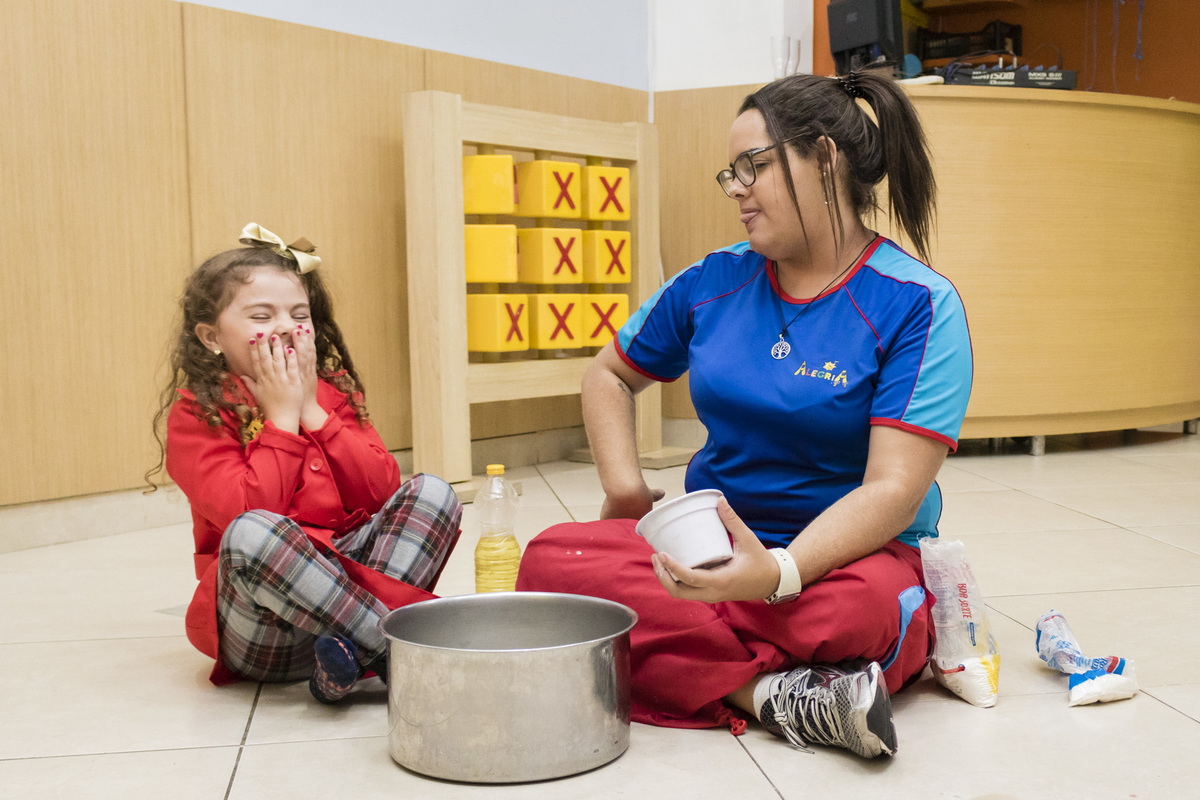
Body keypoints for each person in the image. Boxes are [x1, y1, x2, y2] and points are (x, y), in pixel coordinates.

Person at [516, 68, 973, 758]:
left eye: (752, 166)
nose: (736, 188)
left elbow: (893, 490)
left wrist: (781, 573)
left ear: (824, 158)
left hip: (846, 559)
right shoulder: (713, 280)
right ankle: (769, 694)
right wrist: (625, 488)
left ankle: (684, 649)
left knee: (861, 610)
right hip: (713, 545)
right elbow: (608, 374)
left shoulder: (918, 303)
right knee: (554, 561)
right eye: (730, 173)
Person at [148, 224, 462, 703]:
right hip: (266, 635)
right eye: (261, 315)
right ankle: (398, 650)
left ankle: (349, 660)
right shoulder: (197, 413)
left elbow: (381, 493)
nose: (283, 327)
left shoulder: (332, 392)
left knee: (433, 493)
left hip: (344, 607)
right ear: (212, 337)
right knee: (252, 532)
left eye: (299, 315)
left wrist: (313, 410)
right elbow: (248, 511)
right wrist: (281, 419)